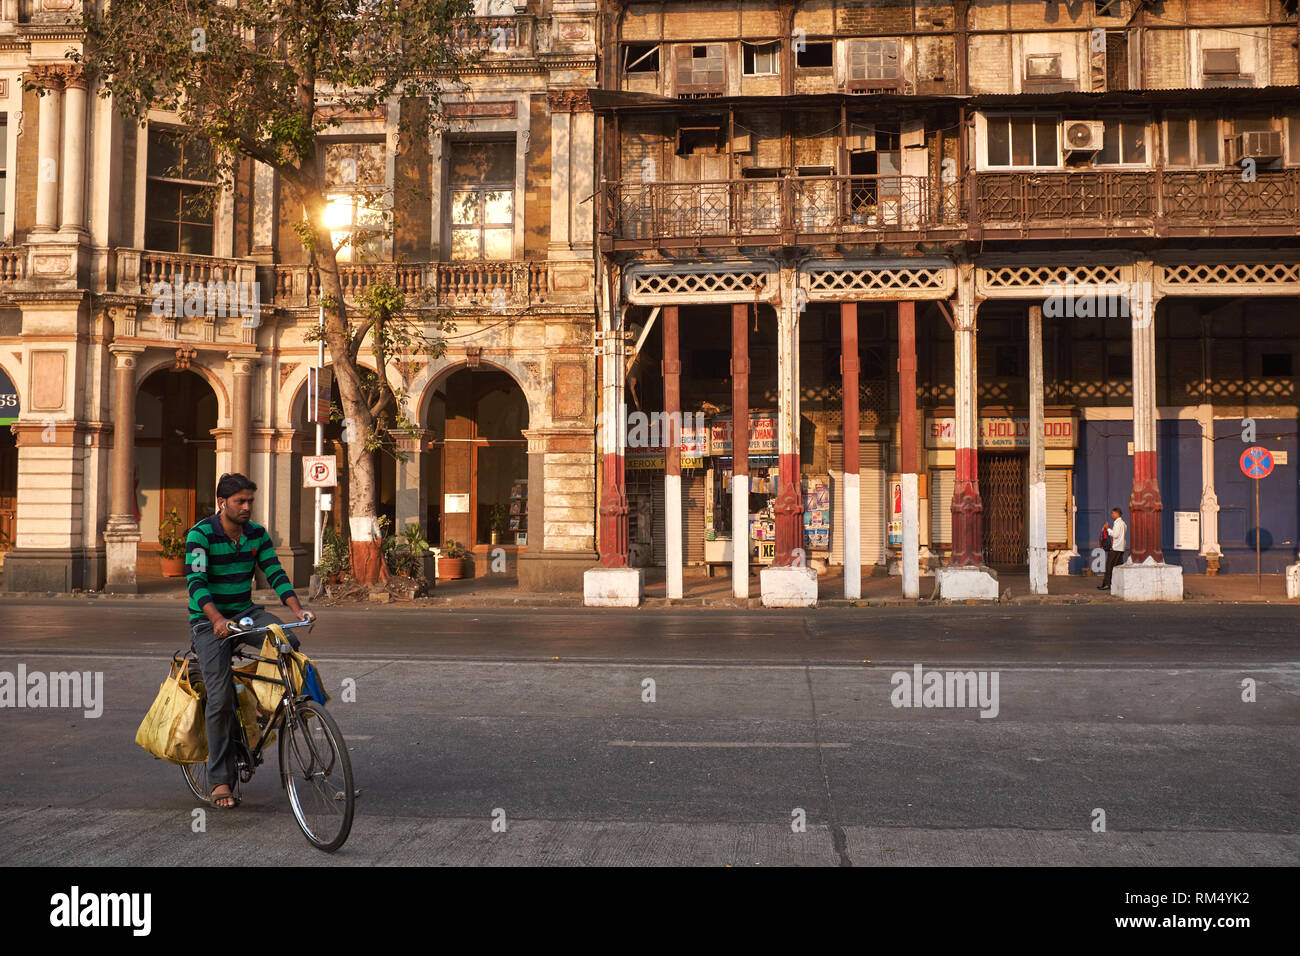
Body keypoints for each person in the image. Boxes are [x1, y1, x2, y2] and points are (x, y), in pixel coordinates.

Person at [186, 473, 314, 808]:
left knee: (287, 643)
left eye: (250, 501)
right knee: (220, 700)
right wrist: (216, 621)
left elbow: (275, 572)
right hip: (208, 621)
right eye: (240, 501)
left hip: (245, 614)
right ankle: (219, 781)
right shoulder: (200, 535)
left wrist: (297, 610)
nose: (246, 507)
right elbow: (196, 583)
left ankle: (261, 710)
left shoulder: (256, 535)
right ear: (222, 503)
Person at [1098, 506, 1127, 590]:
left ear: (1117, 514)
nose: (1112, 515)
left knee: (1109, 566)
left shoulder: (1118, 523)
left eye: (1113, 513)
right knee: (1118, 567)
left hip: (1115, 548)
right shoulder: (1124, 524)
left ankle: (1107, 584)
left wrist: (1107, 529)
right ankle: (1117, 584)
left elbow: (1115, 535)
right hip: (1121, 548)